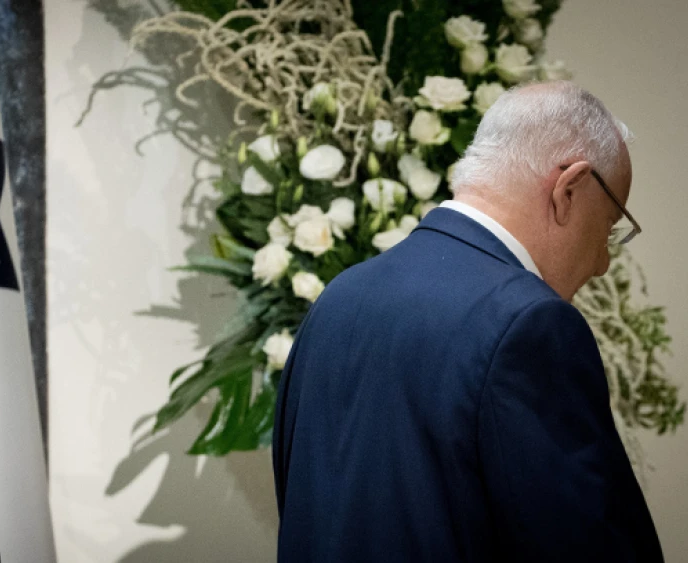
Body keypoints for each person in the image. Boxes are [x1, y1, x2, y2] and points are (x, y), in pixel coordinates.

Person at [273, 81, 663, 562]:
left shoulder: (341, 297)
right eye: (607, 227)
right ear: (568, 189)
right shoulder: (530, 325)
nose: (603, 261)